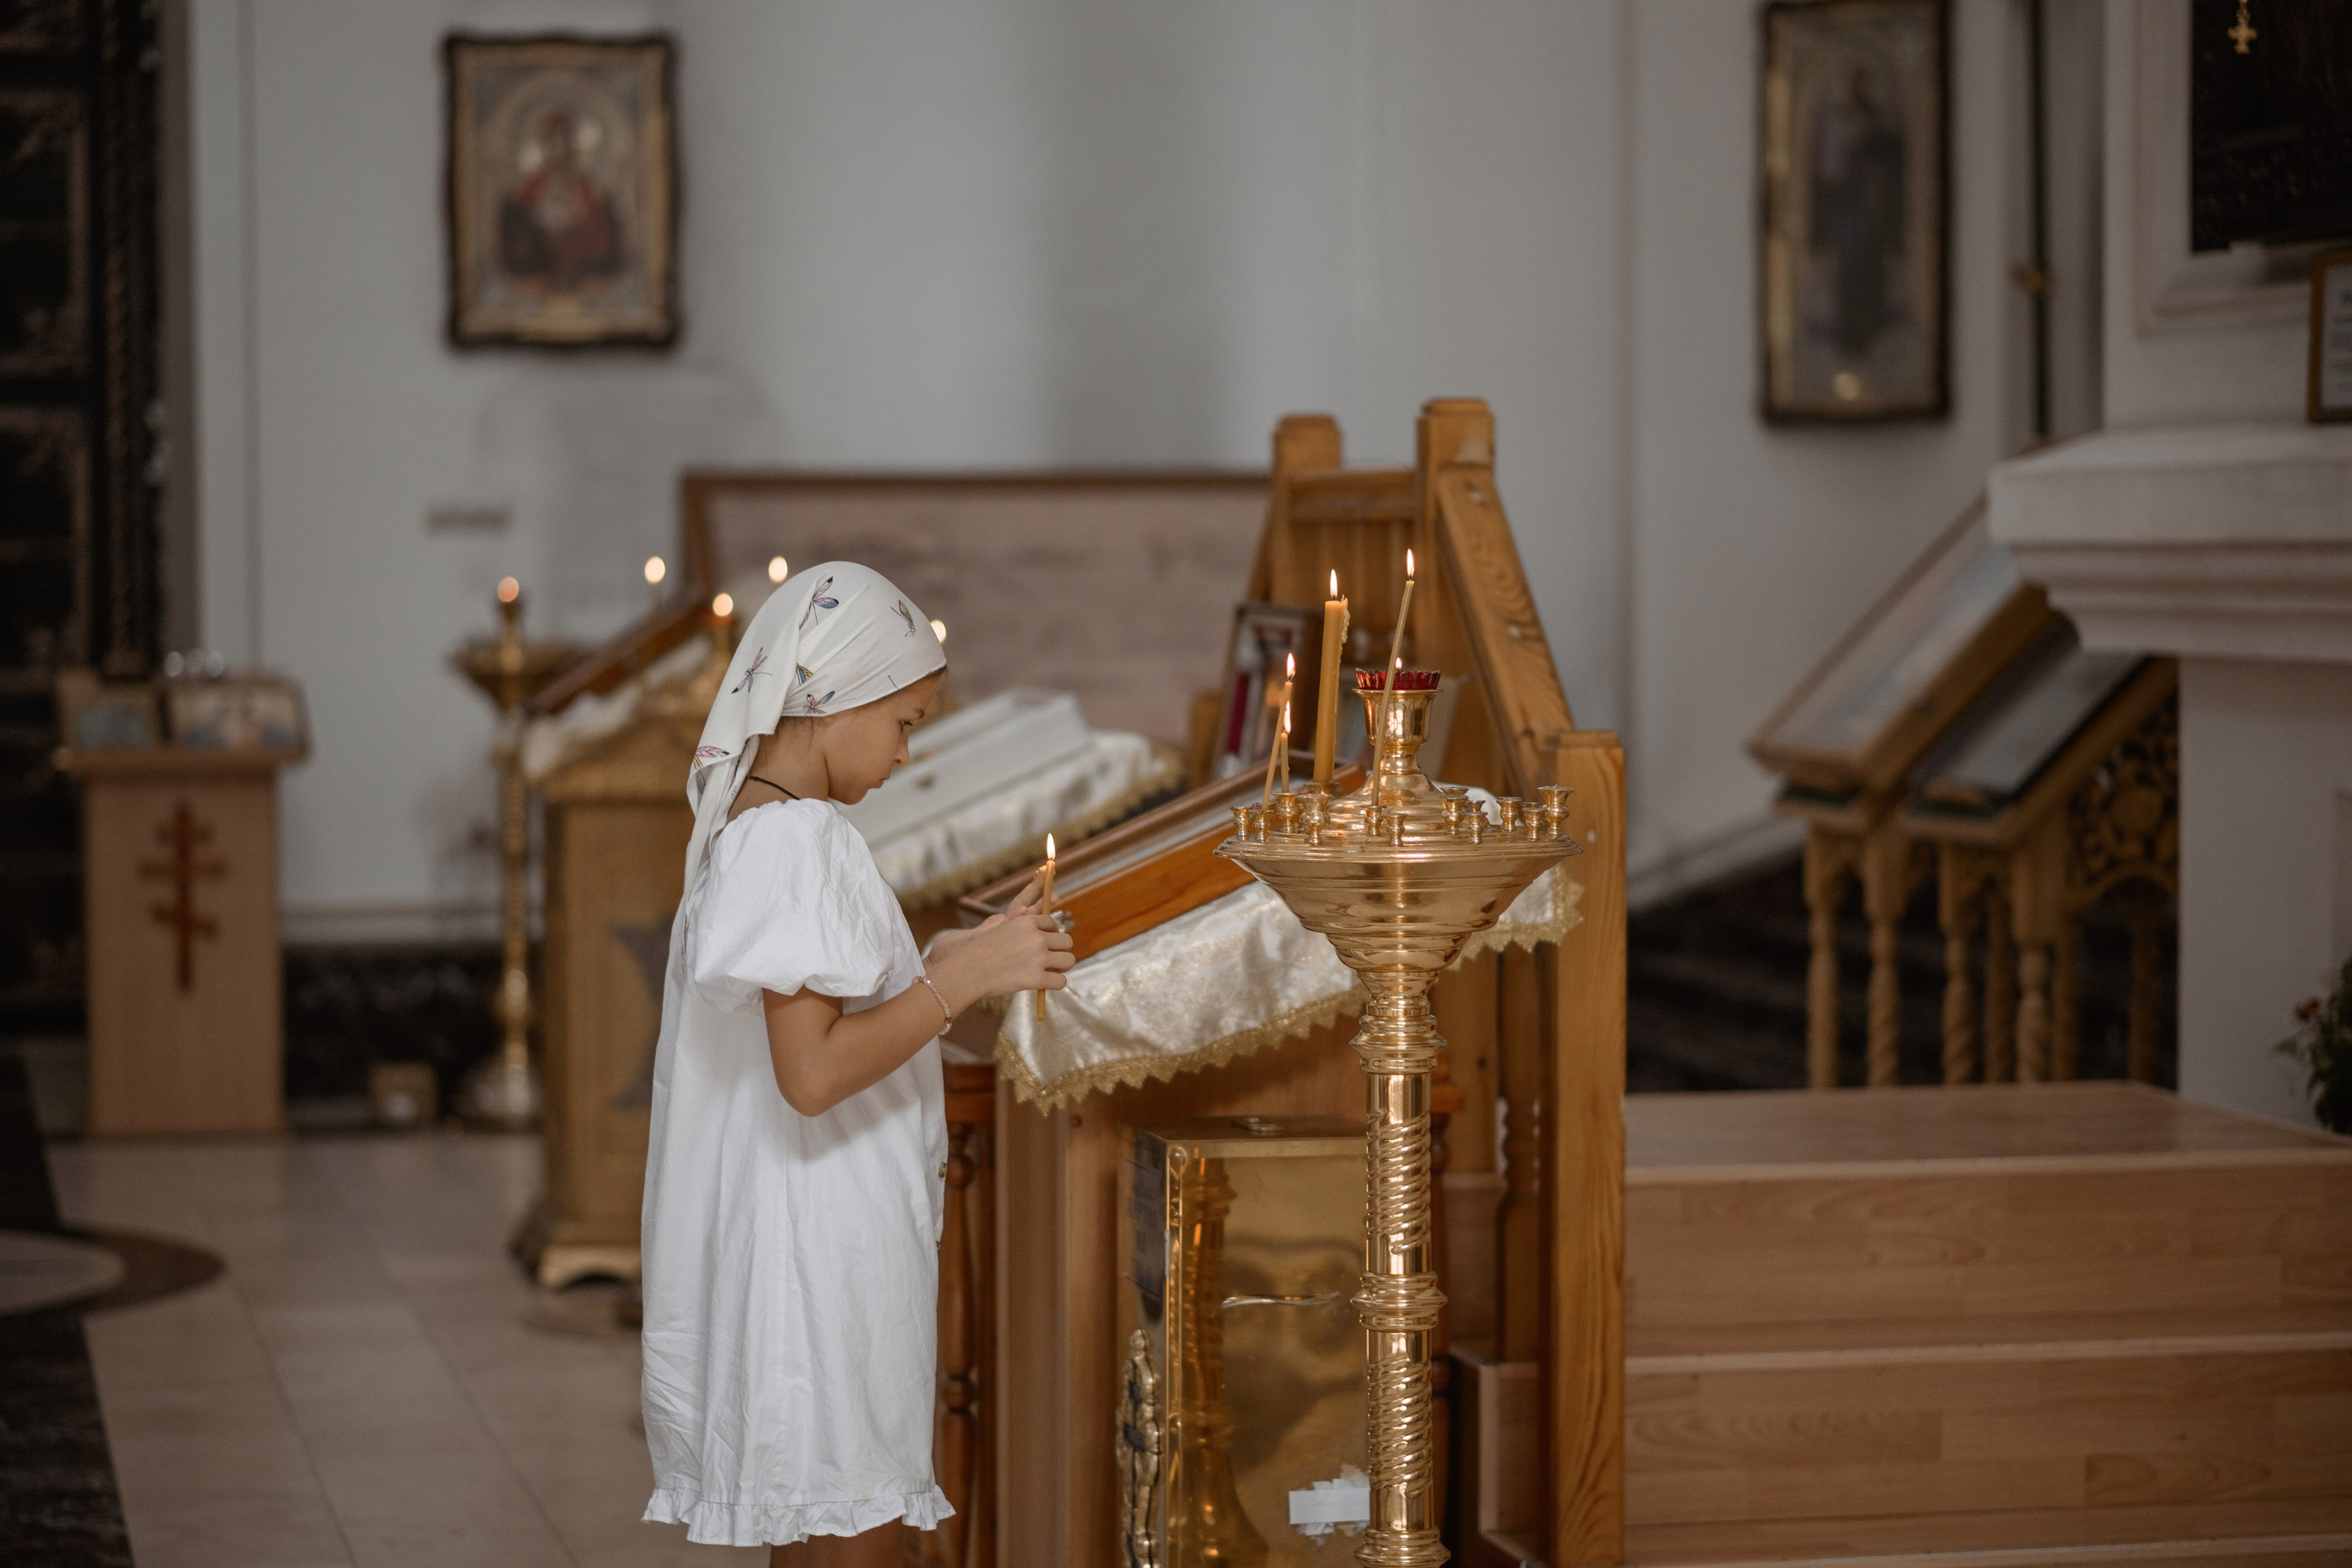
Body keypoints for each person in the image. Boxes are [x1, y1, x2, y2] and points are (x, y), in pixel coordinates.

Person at [639, 562, 1072, 1565]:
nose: (905, 752)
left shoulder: (761, 821)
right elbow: (815, 1073)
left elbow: (809, 1010)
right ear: (841, 703)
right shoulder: (797, 838)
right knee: (849, 1527)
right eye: (905, 722)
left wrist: (946, 961)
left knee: (823, 1521)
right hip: (815, 1253)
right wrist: (963, 987)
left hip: (794, 1232)